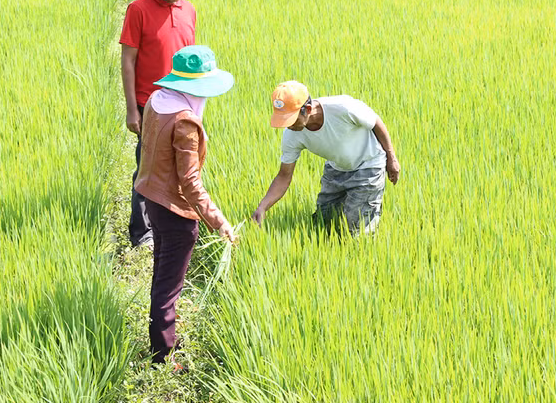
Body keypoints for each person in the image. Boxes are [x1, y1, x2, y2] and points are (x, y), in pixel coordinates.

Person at [134, 45, 236, 364]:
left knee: (161, 274)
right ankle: (163, 357)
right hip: (175, 212)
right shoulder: (185, 122)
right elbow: (190, 182)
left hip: (152, 198)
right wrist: (219, 221)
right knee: (169, 286)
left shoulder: (157, 100)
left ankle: (161, 340)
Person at [120, 0, 198, 248]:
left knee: (181, 166)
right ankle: (142, 233)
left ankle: (171, 222)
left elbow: (190, 62)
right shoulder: (138, 9)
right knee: (148, 168)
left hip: (183, 104)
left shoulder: (189, 10)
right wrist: (132, 110)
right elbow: (128, 61)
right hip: (150, 104)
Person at [251, 81, 400, 235]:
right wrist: (263, 207)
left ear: (307, 109)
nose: (288, 125)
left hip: (368, 166)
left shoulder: (343, 108)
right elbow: (284, 176)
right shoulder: (292, 135)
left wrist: (391, 158)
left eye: (292, 119)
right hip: (336, 169)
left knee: (356, 229)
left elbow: (375, 122)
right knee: (324, 224)